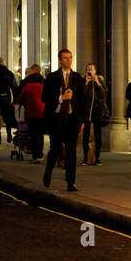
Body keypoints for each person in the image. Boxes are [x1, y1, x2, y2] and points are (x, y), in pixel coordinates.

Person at [42, 48, 87, 191]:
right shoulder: (52, 77)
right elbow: (45, 98)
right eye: (65, 58)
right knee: (54, 149)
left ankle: (71, 182)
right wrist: (61, 98)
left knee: (71, 151)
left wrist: (82, 121)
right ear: (60, 60)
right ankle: (48, 174)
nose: (69, 60)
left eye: (70, 57)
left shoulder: (77, 78)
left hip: (72, 119)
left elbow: (82, 100)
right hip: (56, 118)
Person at [81, 63, 110, 165]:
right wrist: (86, 83)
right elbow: (82, 96)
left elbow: (104, 95)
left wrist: (97, 82)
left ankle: (97, 157)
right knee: (86, 136)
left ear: (95, 71)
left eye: (92, 69)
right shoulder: (83, 81)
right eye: (88, 69)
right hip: (87, 113)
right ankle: (86, 157)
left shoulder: (100, 80)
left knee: (98, 136)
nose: (90, 71)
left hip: (97, 113)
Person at [15, 64, 45, 161]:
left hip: (31, 112)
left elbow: (19, 98)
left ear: (32, 71)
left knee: (33, 134)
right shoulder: (45, 83)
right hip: (43, 112)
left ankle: (35, 155)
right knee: (40, 134)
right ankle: (40, 154)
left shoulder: (27, 84)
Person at [0, 57, 18, 144]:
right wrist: (15, 101)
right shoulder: (10, 74)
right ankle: (9, 134)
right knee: (7, 117)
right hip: (6, 98)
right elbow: (14, 88)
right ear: (4, 64)